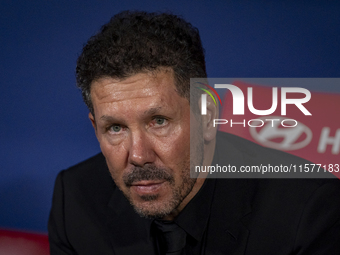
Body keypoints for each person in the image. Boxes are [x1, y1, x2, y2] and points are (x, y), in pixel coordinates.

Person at [48, 11, 340, 255]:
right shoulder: (75, 200)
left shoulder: (308, 211)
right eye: (115, 128)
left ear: (207, 115)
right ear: (94, 127)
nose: (138, 155)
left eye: (159, 121)